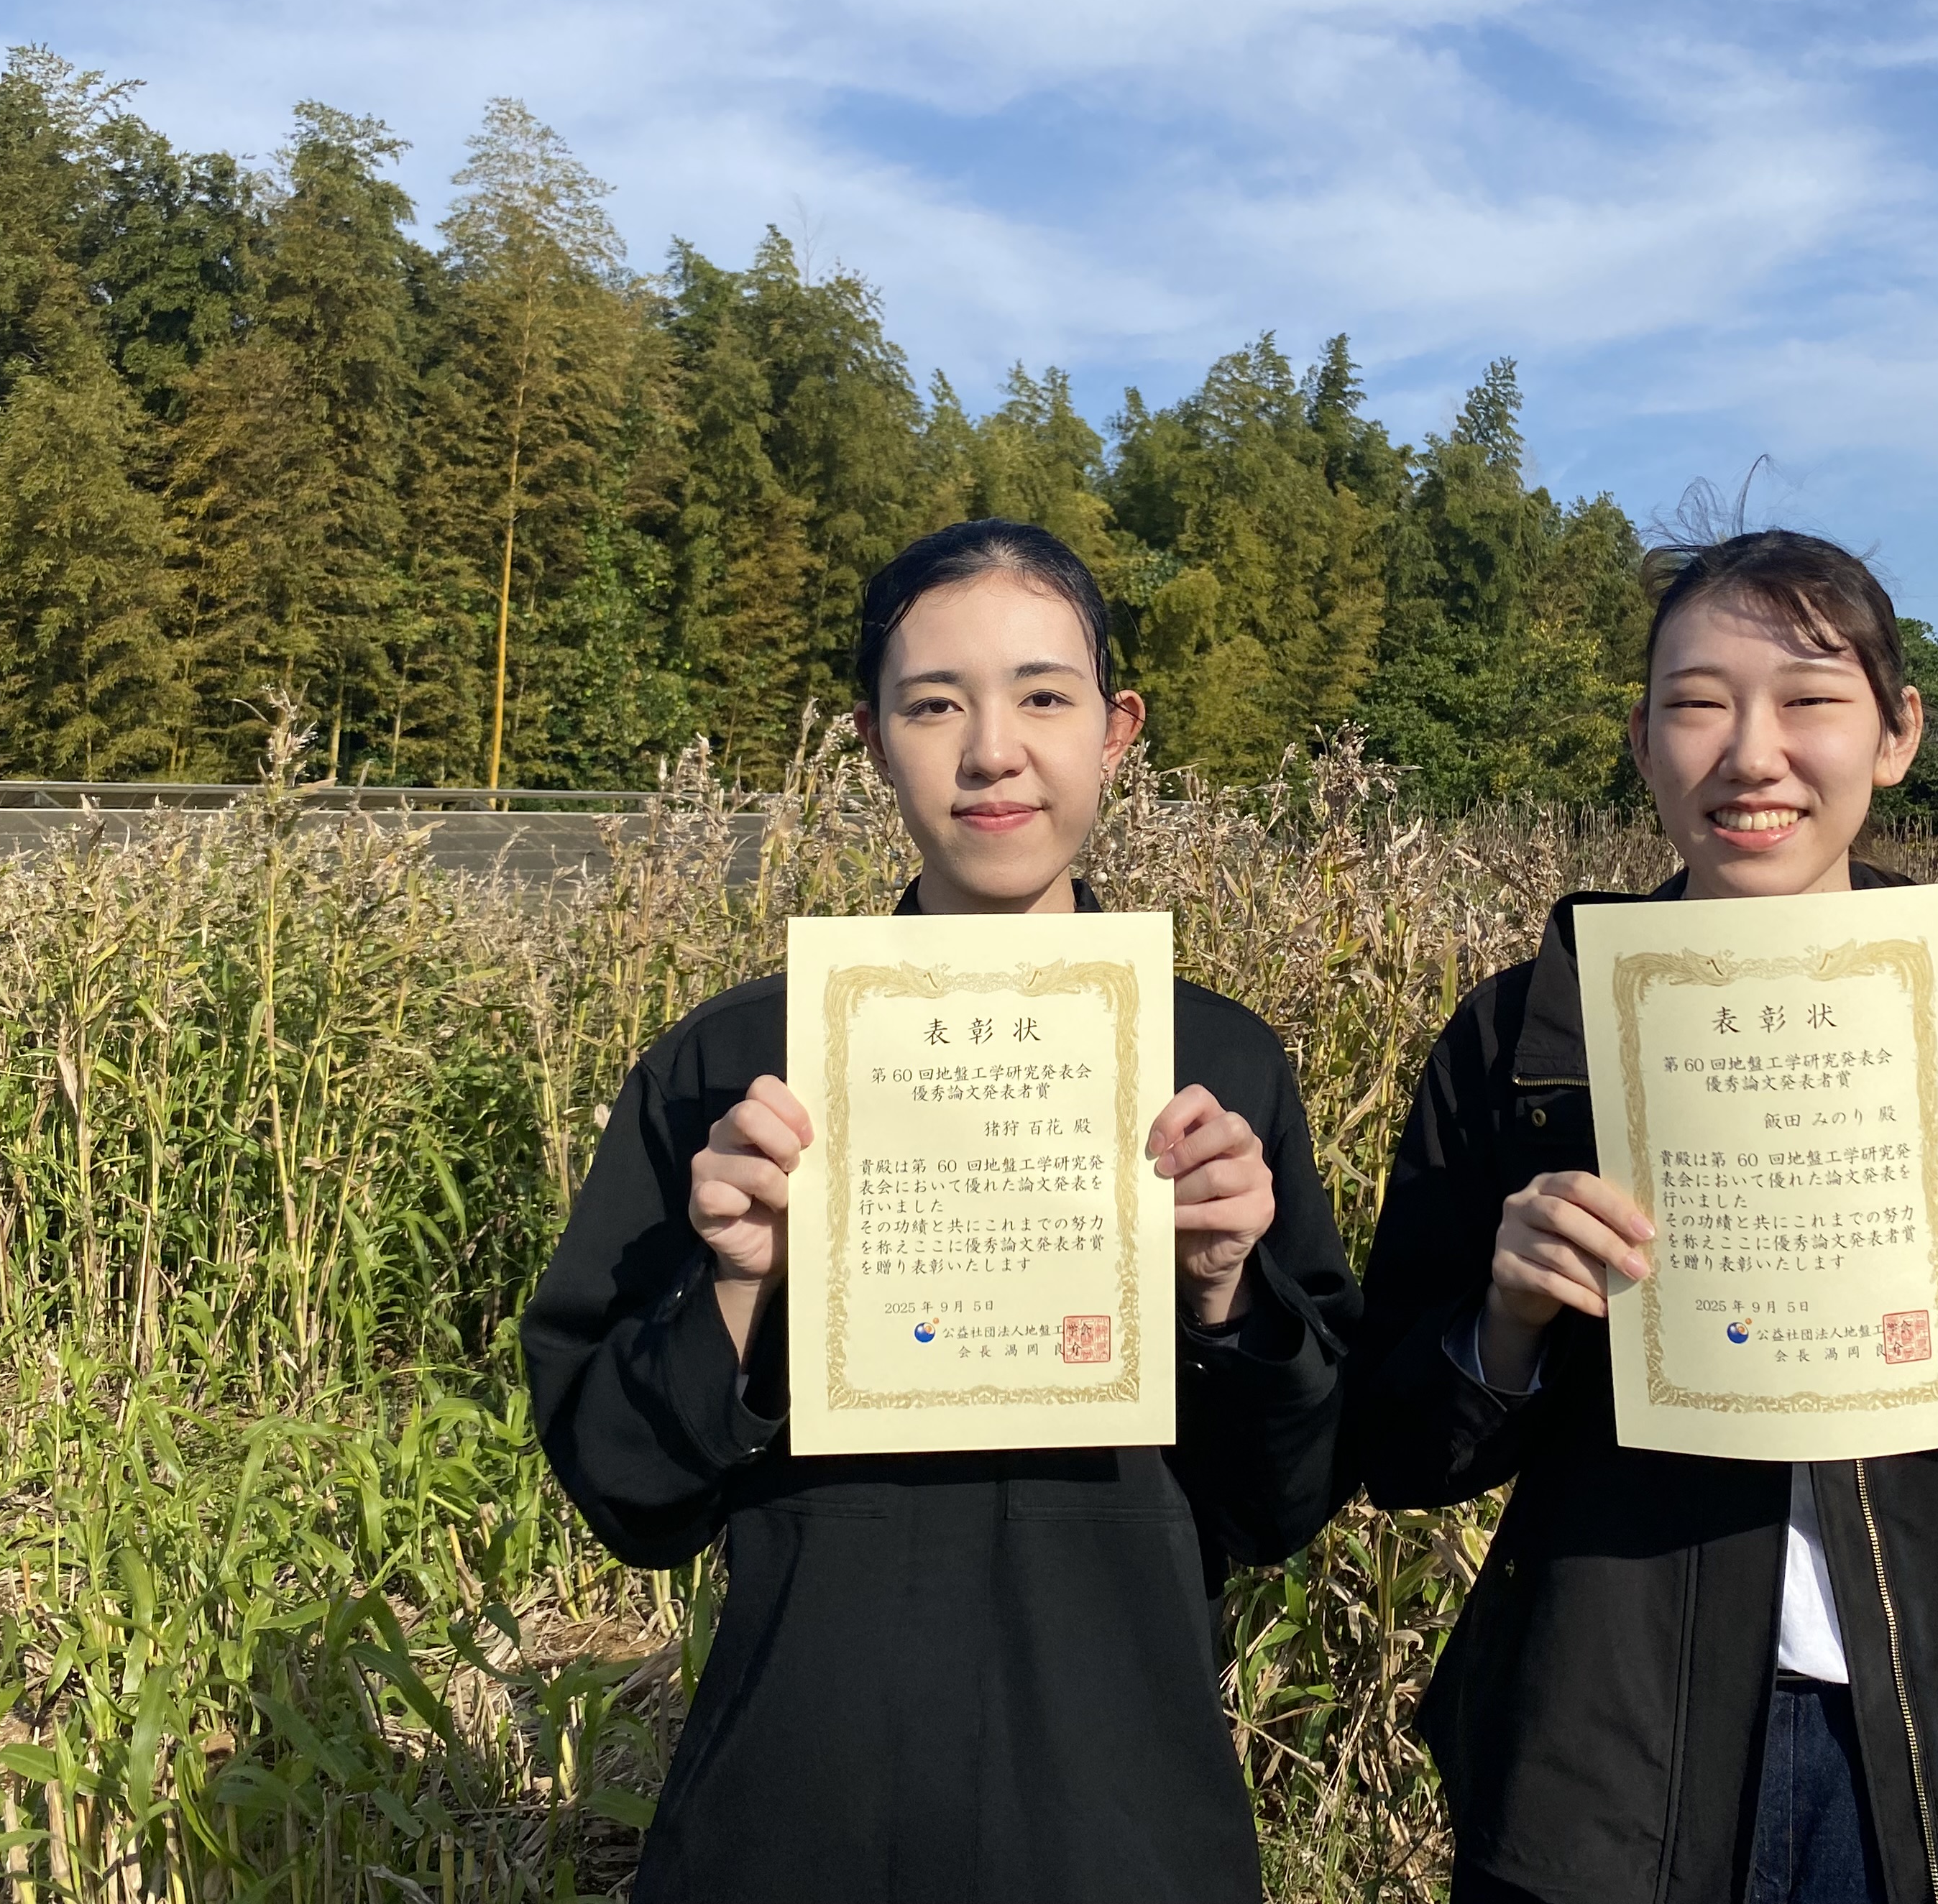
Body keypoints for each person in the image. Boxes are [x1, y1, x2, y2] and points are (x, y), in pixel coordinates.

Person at [1345, 526, 1938, 1904]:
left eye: (1812, 700)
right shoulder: (1526, 1045)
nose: (1754, 754)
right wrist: (1501, 1324)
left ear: (1897, 734)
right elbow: (1395, 1446)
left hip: (1929, 1760)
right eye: (1699, 703)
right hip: (1605, 1758)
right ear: (1640, 740)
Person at [523, 519, 1356, 1904]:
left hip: (1123, 1803)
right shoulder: (729, 1070)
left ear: (1118, 729)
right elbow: (624, 1489)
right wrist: (736, 1287)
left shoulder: (1219, 1068)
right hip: (804, 1798)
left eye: (1044, 696)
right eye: (933, 705)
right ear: (870, 738)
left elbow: (1287, 1499)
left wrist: (1224, 1295)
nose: (992, 751)